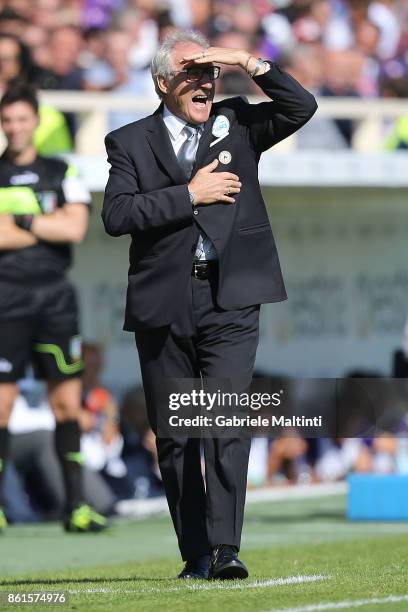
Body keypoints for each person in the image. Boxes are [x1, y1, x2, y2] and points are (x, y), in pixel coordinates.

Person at [102, 30, 317, 579]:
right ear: (161, 83)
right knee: (175, 436)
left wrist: (245, 62)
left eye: (209, 73)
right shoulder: (128, 142)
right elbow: (117, 216)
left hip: (230, 299)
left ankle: (225, 550)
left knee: (224, 420)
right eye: (190, 72)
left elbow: (301, 105)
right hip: (163, 301)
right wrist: (188, 196)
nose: (203, 81)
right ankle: (194, 552)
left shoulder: (239, 122)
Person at [0, 84, 108, 533]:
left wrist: (22, 220)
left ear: (37, 122)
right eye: (8, 121)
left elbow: (76, 229)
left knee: (66, 404)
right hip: (6, 298)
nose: (16, 127)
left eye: (23, 119)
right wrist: (48, 224)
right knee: (1, 407)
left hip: (56, 301)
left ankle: (76, 506)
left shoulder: (62, 169)